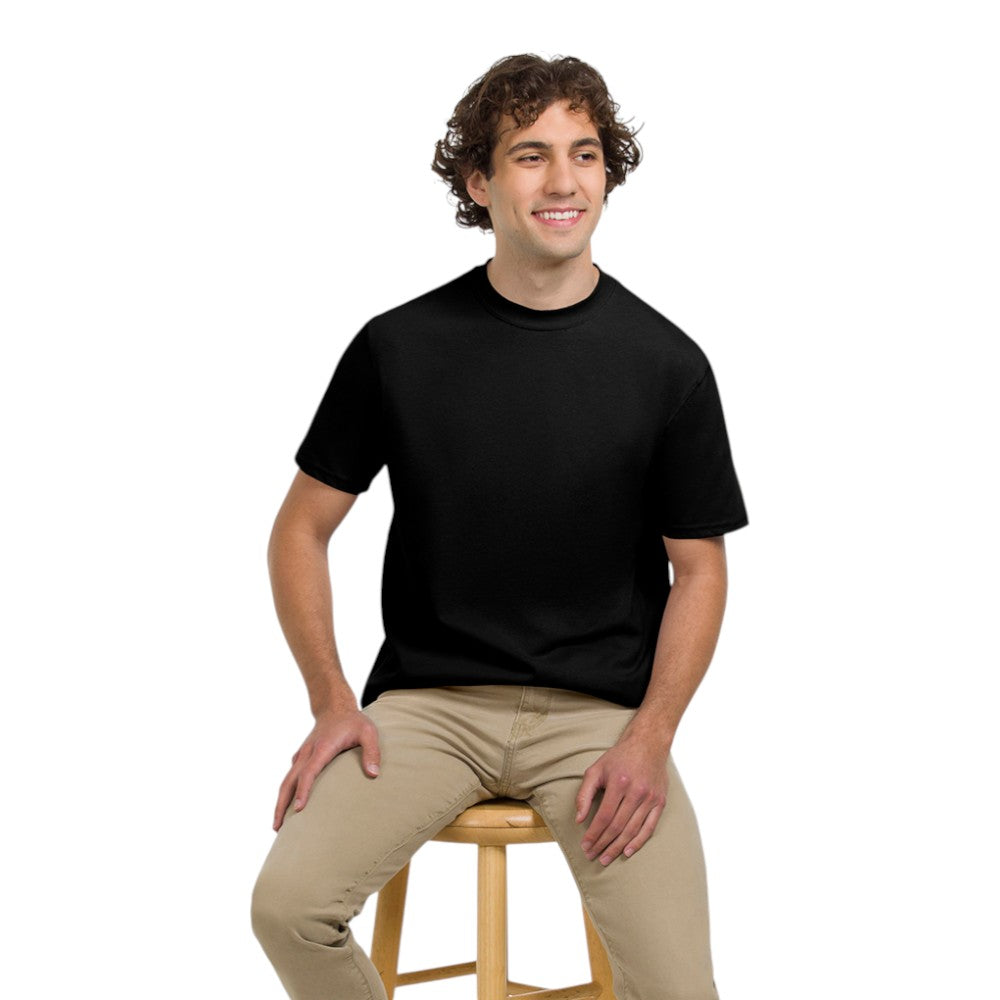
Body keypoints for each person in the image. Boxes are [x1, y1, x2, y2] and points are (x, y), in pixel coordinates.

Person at [251, 53, 748, 1000]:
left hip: (600, 722)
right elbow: (300, 530)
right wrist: (331, 701)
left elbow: (701, 570)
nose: (563, 182)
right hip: (427, 709)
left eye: (585, 154)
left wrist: (651, 736)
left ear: (608, 173)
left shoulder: (668, 365)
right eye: (530, 156)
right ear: (479, 183)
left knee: (683, 991)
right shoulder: (399, 346)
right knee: (288, 909)